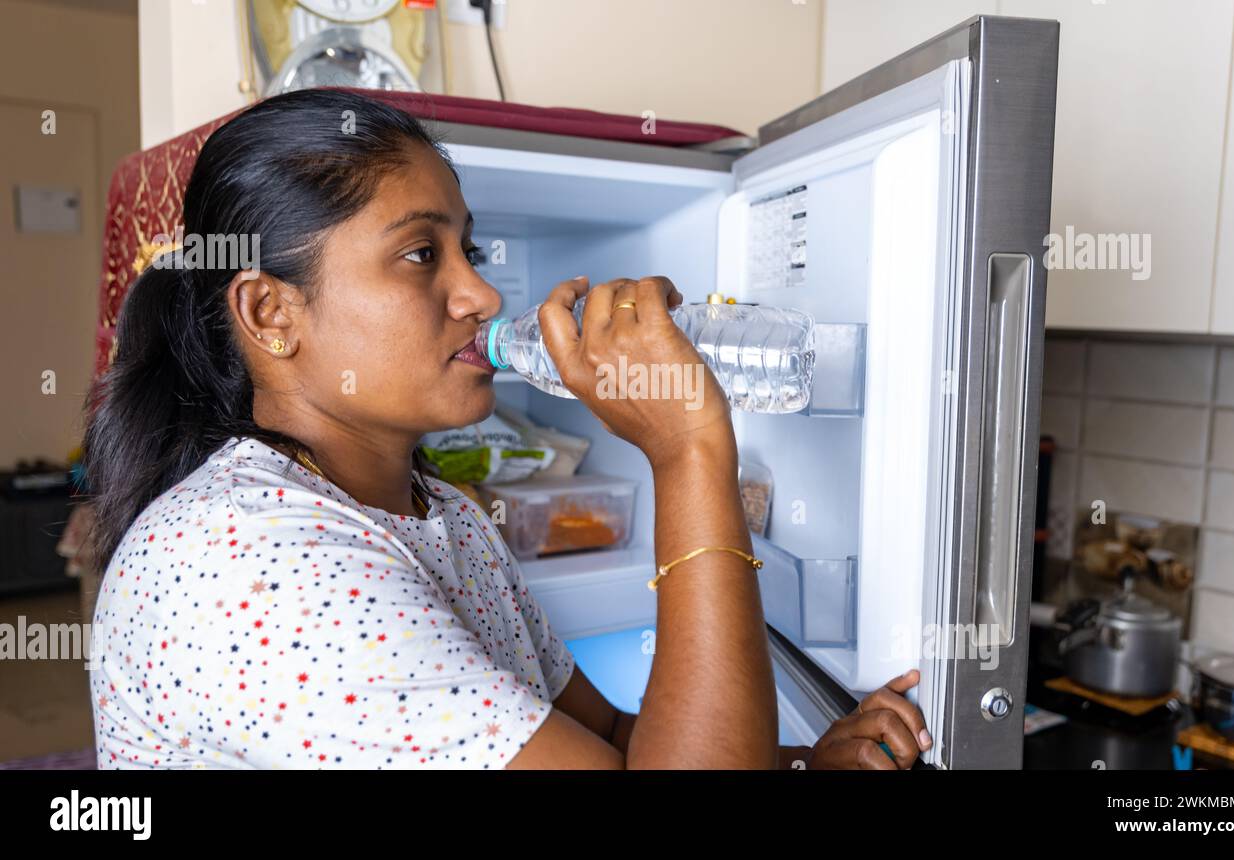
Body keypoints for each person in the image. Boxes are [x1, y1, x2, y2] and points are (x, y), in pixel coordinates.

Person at [83, 89, 930, 769]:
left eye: (471, 253)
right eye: (422, 254)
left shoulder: (441, 516)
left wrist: (804, 764)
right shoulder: (256, 568)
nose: (482, 296)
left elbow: (620, 746)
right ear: (271, 312)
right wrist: (688, 452)